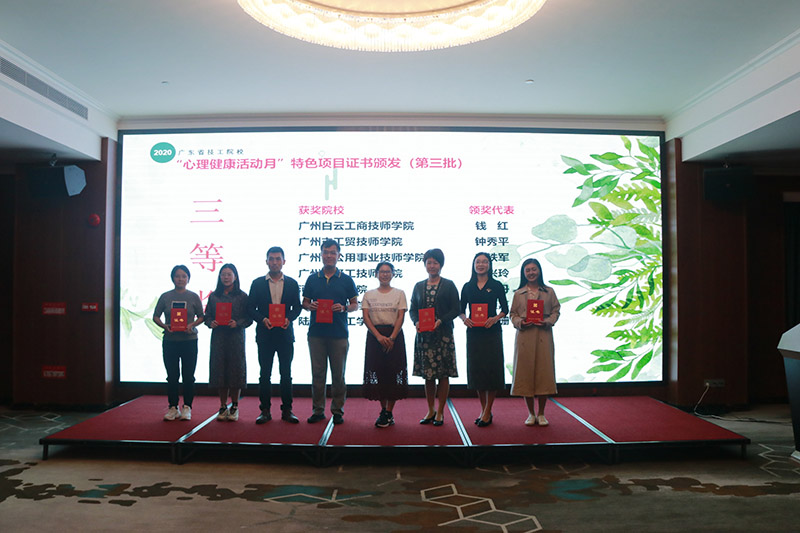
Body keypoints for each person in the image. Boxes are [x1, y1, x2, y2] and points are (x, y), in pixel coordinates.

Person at [302, 239, 358, 425]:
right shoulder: (312, 278)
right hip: (316, 334)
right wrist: (310, 306)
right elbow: (304, 302)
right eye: (326, 252)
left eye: (333, 252)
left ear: (339, 255)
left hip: (339, 334)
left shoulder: (346, 279)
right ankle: (318, 410)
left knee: (338, 375)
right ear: (321, 254)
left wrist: (344, 308)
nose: (329, 256)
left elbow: (355, 304)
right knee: (318, 374)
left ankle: (337, 411)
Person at [247, 247, 302, 424]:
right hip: (265, 334)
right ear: (266, 262)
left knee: (286, 374)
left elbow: (297, 307)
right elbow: (250, 308)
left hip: (285, 334)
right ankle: (265, 410)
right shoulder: (257, 283)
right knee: (265, 374)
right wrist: (262, 319)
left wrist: (289, 319)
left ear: (284, 262)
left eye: (278, 259)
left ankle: (287, 410)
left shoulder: (292, 283)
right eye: (271, 259)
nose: (275, 262)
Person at [410, 248, 459, 426]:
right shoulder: (418, 286)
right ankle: (430, 409)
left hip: (443, 336)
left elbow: (456, 309)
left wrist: (441, 320)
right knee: (428, 375)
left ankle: (441, 411)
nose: (432, 266)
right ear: (425, 265)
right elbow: (413, 309)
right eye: (429, 262)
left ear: (441, 265)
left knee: (443, 375)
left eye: (435, 263)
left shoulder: (449, 285)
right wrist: (416, 322)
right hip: (424, 337)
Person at [459, 252, 509, 427]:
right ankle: (484, 410)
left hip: (492, 332)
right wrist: (464, 319)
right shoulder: (467, 286)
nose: (481, 265)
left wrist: (495, 318)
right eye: (478, 262)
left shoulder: (496, 285)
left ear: (489, 265)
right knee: (477, 371)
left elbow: (505, 309)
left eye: (484, 262)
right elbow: (460, 309)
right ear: (473, 265)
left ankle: (488, 410)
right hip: (474, 333)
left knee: (492, 370)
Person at [509, 258, 561, 426]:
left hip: (543, 334)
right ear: (523, 273)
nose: (531, 273)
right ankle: (531, 413)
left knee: (543, 373)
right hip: (525, 336)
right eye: (528, 270)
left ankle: (542, 413)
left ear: (539, 271)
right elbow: (513, 314)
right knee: (526, 374)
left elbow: (556, 311)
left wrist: (548, 321)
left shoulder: (549, 291)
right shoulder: (518, 293)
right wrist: (520, 322)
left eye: (534, 269)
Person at [153, 265, 204, 421]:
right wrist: (165, 326)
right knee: (172, 376)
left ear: (188, 279)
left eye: (184, 276)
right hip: (170, 341)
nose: (180, 279)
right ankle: (173, 407)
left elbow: (202, 316)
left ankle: (187, 407)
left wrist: (192, 325)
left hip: (189, 341)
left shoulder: (193, 296)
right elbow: (156, 316)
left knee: (188, 376)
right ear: (172, 278)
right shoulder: (165, 296)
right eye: (177, 276)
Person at [361, 262, 409, 428]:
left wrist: (392, 337)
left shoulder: (399, 293)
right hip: (375, 337)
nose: (385, 274)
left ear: (393, 274)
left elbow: (401, 316)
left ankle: (389, 411)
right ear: (376, 274)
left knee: (393, 373)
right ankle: (384, 410)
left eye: (388, 272)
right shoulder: (369, 294)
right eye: (382, 272)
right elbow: (366, 317)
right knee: (379, 373)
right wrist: (379, 337)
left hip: (394, 336)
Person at [205, 263, 252, 422]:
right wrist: (210, 322)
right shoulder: (214, 296)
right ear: (219, 277)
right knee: (220, 370)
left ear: (235, 277)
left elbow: (249, 318)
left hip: (235, 338)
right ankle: (223, 405)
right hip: (219, 338)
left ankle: (235, 406)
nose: (226, 277)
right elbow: (207, 316)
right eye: (223, 274)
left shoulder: (242, 296)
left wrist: (237, 323)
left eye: (229, 274)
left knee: (235, 371)